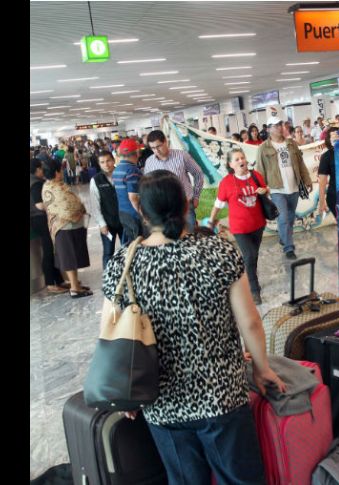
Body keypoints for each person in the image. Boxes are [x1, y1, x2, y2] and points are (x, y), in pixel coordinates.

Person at [103, 170, 286, 485]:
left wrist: (126, 391)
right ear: (186, 205)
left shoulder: (122, 265)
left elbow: (110, 333)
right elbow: (250, 322)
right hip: (222, 395)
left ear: (142, 212)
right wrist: (262, 368)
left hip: (163, 403)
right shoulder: (219, 252)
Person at [208, 148, 268, 305]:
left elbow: (266, 191)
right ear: (230, 164)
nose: (241, 161)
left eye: (242, 157)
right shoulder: (226, 182)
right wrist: (211, 221)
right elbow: (218, 204)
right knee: (249, 255)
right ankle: (254, 290)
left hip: (258, 224)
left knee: (253, 255)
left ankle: (249, 276)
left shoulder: (256, 176)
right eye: (237, 159)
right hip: (239, 228)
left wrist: (265, 191)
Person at [255, 115, 312, 260]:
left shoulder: (291, 144)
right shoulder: (263, 148)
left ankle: (284, 237)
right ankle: (289, 248)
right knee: (284, 217)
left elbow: (300, 163)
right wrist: (262, 189)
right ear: (269, 129)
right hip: (276, 189)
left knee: (291, 217)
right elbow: (260, 170)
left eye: (281, 124)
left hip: (294, 187)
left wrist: (307, 179)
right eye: (276, 125)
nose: (280, 127)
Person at [40, 158, 92, 298]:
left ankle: (76, 285)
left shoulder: (49, 185)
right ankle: (75, 288)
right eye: (61, 170)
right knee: (69, 258)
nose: (63, 172)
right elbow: (69, 208)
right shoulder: (55, 187)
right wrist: (80, 209)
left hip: (64, 227)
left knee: (72, 258)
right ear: (57, 172)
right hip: (65, 227)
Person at [144, 130, 204, 233]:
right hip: (163, 208)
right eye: (153, 148)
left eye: (158, 146)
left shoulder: (182, 156)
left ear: (165, 142)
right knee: (170, 237)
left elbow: (198, 174)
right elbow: (149, 186)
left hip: (184, 204)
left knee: (190, 234)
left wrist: (196, 196)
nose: (156, 151)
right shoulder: (149, 162)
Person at [31, 157, 68, 293]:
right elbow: (39, 205)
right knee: (48, 251)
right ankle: (50, 283)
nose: (44, 170)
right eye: (42, 167)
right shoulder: (36, 183)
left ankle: (59, 280)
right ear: (37, 169)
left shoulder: (35, 181)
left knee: (52, 250)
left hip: (39, 220)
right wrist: (55, 206)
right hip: (40, 219)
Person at [90, 150, 123, 269]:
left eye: (108, 161)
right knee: (108, 252)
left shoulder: (121, 174)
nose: (106, 164)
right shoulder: (96, 180)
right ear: (99, 164)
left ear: (113, 160)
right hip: (108, 223)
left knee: (128, 249)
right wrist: (102, 224)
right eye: (102, 162)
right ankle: (108, 276)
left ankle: (129, 274)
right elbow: (95, 205)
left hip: (125, 221)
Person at [113, 138, 145, 245]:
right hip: (134, 214)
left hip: (123, 212)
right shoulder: (132, 170)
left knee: (131, 243)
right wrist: (143, 214)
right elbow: (133, 197)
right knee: (140, 244)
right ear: (137, 152)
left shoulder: (117, 169)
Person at [318, 126, 339, 218]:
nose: (336, 139)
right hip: (335, 196)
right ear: (329, 140)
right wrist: (322, 202)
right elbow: (322, 181)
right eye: (333, 137)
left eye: (337, 136)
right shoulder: (326, 156)